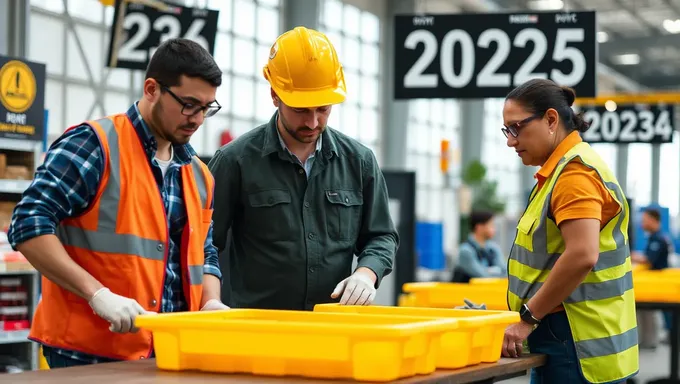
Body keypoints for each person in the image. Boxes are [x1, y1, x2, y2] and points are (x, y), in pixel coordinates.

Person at [7, 38, 230, 368]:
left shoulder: (199, 174)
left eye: (207, 108)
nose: (197, 118)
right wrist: (98, 294)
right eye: (188, 104)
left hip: (167, 353)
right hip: (87, 356)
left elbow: (205, 250)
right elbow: (28, 223)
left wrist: (210, 301)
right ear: (152, 89)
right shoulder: (95, 145)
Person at [208, 26, 399, 310]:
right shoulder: (235, 161)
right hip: (259, 331)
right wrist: (209, 300)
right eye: (300, 110)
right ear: (275, 95)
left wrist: (366, 273)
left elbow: (381, 235)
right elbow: (203, 241)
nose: (312, 122)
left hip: (332, 330)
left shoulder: (359, 162)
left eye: (323, 109)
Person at [500, 78, 638, 384]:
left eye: (516, 127)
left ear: (551, 119)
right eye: (506, 130)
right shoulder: (561, 171)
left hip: (573, 339)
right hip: (576, 336)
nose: (511, 140)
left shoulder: (574, 174)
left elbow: (582, 254)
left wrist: (528, 317)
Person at [632, 207, 673, 348]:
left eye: (644, 220)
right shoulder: (654, 237)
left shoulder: (658, 238)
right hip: (653, 282)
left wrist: (630, 255)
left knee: (653, 313)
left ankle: (652, 341)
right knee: (648, 313)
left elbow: (649, 260)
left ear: (653, 220)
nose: (641, 224)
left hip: (657, 283)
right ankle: (649, 340)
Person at [451, 210, 507, 282]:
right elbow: (483, 276)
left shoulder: (493, 249)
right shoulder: (465, 251)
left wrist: (489, 271)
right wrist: (495, 271)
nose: (494, 229)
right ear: (479, 227)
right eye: (491, 225)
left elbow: (505, 272)